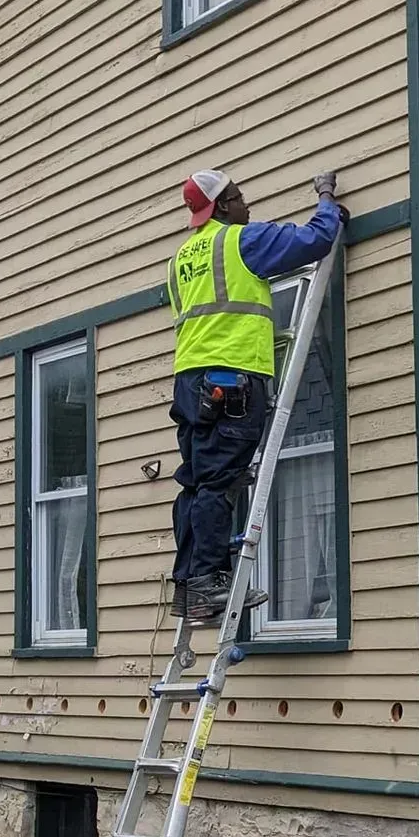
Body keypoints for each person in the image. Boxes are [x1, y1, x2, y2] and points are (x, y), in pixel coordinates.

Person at [167, 168, 346, 621]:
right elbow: (315, 239)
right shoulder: (240, 241)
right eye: (240, 198)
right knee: (220, 483)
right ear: (223, 207)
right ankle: (209, 583)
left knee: (195, 482)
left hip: (190, 383)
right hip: (230, 379)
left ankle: (190, 586)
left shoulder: (181, 260)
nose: (248, 207)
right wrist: (326, 197)